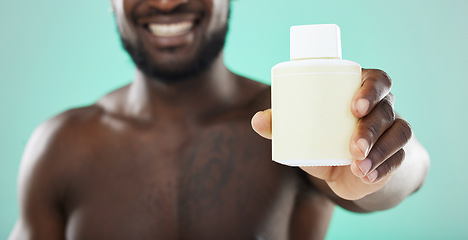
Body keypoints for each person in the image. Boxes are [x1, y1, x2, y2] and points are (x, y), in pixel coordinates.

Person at [9, 0, 430, 239]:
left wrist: (377, 159)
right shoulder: (61, 146)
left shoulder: (293, 119)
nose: (166, 2)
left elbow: (411, 172)